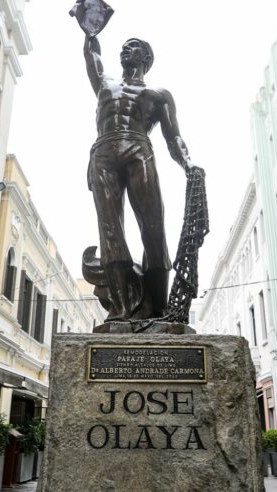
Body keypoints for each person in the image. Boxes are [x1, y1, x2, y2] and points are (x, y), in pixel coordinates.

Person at [83, 32, 196, 321]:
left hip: (138, 148)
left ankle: (158, 307)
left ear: (145, 57)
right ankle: (120, 310)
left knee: (153, 228)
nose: (124, 50)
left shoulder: (158, 96)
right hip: (104, 151)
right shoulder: (105, 85)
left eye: (132, 48)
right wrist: (89, 30)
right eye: (122, 48)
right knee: (110, 230)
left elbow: (175, 140)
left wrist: (189, 165)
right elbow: (91, 55)